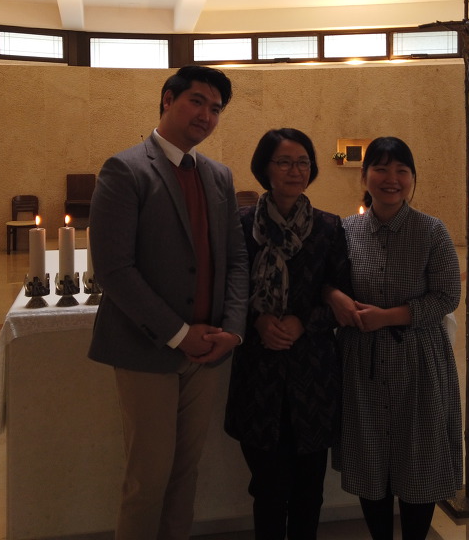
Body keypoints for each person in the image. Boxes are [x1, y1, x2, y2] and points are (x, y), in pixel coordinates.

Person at [87, 65, 249, 540]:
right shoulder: (126, 169)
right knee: (148, 480)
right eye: (197, 101)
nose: (206, 115)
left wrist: (233, 329)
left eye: (215, 109)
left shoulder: (218, 176)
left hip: (208, 351)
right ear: (167, 99)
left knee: (184, 475)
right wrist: (179, 334)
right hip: (147, 350)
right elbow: (114, 269)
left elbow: (236, 259)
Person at [327, 136, 462, 540]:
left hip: (418, 360)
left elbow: (447, 296)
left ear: (412, 179)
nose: (392, 178)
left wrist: (386, 317)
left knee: (419, 457)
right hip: (362, 362)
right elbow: (325, 280)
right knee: (370, 458)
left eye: (402, 170)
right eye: (381, 169)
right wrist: (332, 294)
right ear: (364, 177)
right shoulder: (344, 231)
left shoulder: (432, 231)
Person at [224, 128, 351, 540]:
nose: (295, 171)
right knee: (267, 488)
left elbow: (342, 295)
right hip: (258, 373)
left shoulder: (329, 228)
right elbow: (228, 292)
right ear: (265, 168)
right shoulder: (242, 225)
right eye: (284, 162)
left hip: (312, 375)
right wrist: (258, 321)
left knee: (309, 490)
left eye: (303, 162)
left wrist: (303, 322)